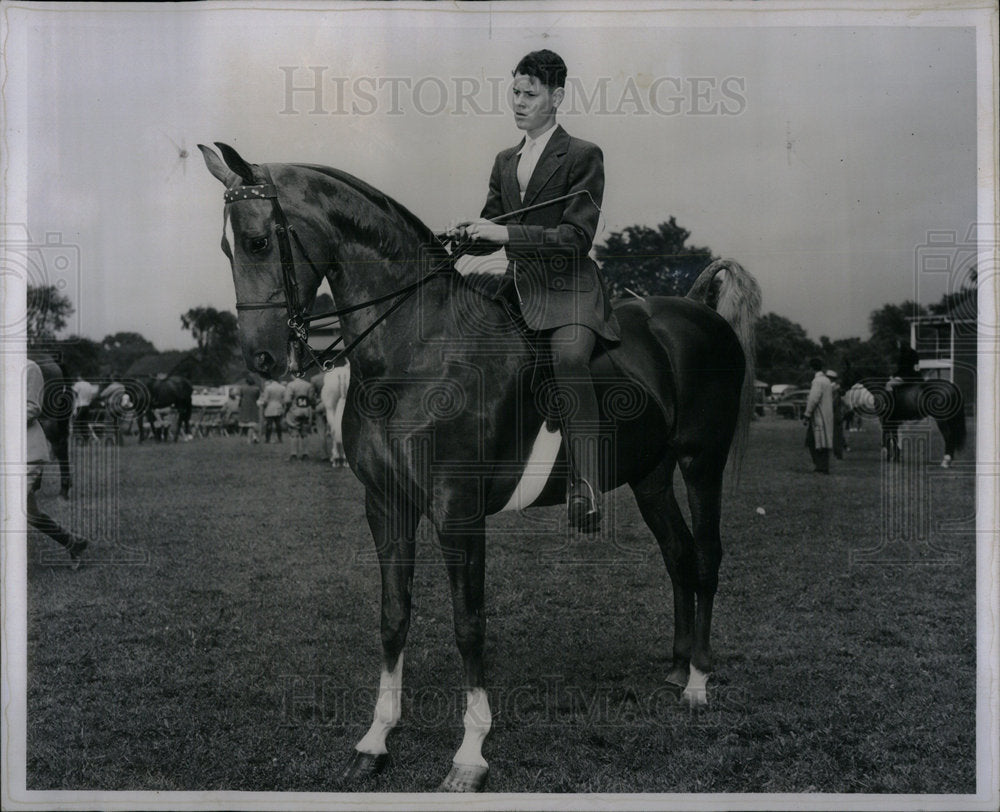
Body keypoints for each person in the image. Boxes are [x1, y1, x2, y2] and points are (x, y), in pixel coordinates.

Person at [449, 49, 620, 533]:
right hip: (517, 288)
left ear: (557, 96)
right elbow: (492, 224)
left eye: (530, 93)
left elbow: (576, 239)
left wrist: (505, 236)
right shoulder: (506, 160)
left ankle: (585, 485)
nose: (519, 102)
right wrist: (467, 233)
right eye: (515, 92)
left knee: (567, 359)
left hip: (569, 291)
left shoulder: (584, 155)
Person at [26, 359, 89, 568]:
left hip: (26, 453)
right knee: (30, 513)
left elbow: (32, 408)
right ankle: (73, 543)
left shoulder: (30, 368)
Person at [803, 359, 835, 474]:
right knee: (824, 441)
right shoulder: (827, 380)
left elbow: (813, 399)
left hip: (818, 415)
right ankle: (823, 466)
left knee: (814, 441)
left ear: (811, 368)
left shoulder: (817, 381)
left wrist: (807, 414)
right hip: (827, 415)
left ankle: (820, 466)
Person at [321, 359, 351, 468]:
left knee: (334, 421)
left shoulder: (332, 374)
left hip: (338, 404)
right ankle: (346, 455)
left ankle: (336, 453)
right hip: (343, 402)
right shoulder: (348, 372)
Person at [284, 375, 316, 460]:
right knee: (305, 433)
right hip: (306, 411)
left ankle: (294, 454)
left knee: (294, 433)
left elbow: (287, 400)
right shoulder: (308, 385)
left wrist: (287, 409)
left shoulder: (291, 385)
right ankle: (305, 454)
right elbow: (312, 399)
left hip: (294, 410)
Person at [259, 377, 286, 444]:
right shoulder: (282, 388)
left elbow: (265, 400)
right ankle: (280, 438)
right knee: (278, 424)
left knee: (269, 424)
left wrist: (264, 406)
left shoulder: (268, 388)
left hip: (270, 407)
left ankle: (267, 439)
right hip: (279, 407)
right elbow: (284, 399)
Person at [237, 375, 261, 444]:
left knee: (245, 424)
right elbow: (257, 397)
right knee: (251, 424)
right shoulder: (256, 389)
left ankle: (250, 438)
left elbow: (240, 397)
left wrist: (240, 405)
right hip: (253, 406)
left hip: (244, 407)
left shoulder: (242, 388)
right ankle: (252, 438)